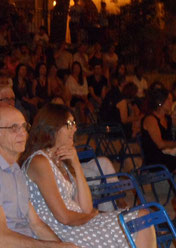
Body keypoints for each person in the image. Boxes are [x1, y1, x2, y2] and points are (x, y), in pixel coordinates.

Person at [19, 104, 156, 248]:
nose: (75, 128)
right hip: (62, 230)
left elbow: (86, 207)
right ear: (52, 127)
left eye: (74, 124)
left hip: (79, 223)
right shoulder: (39, 161)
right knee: (141, 218)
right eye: (69, 124)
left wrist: (76, 164)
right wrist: (90, 217)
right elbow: (63, 217)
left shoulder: (60, 160)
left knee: (144, 216)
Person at [0, 106, 76, 248]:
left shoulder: (15, 170)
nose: (22, 133)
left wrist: (60, 245)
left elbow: (36, 224)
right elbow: (0, 240)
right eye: (14, 128)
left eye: (23, 127)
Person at [141, 87, 176, 172]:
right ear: (160, 102)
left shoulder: (167, 118)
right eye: (168, 100)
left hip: (166, 153)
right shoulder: (150, 119)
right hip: (155, 158)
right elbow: (160, 144)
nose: (171, 103)